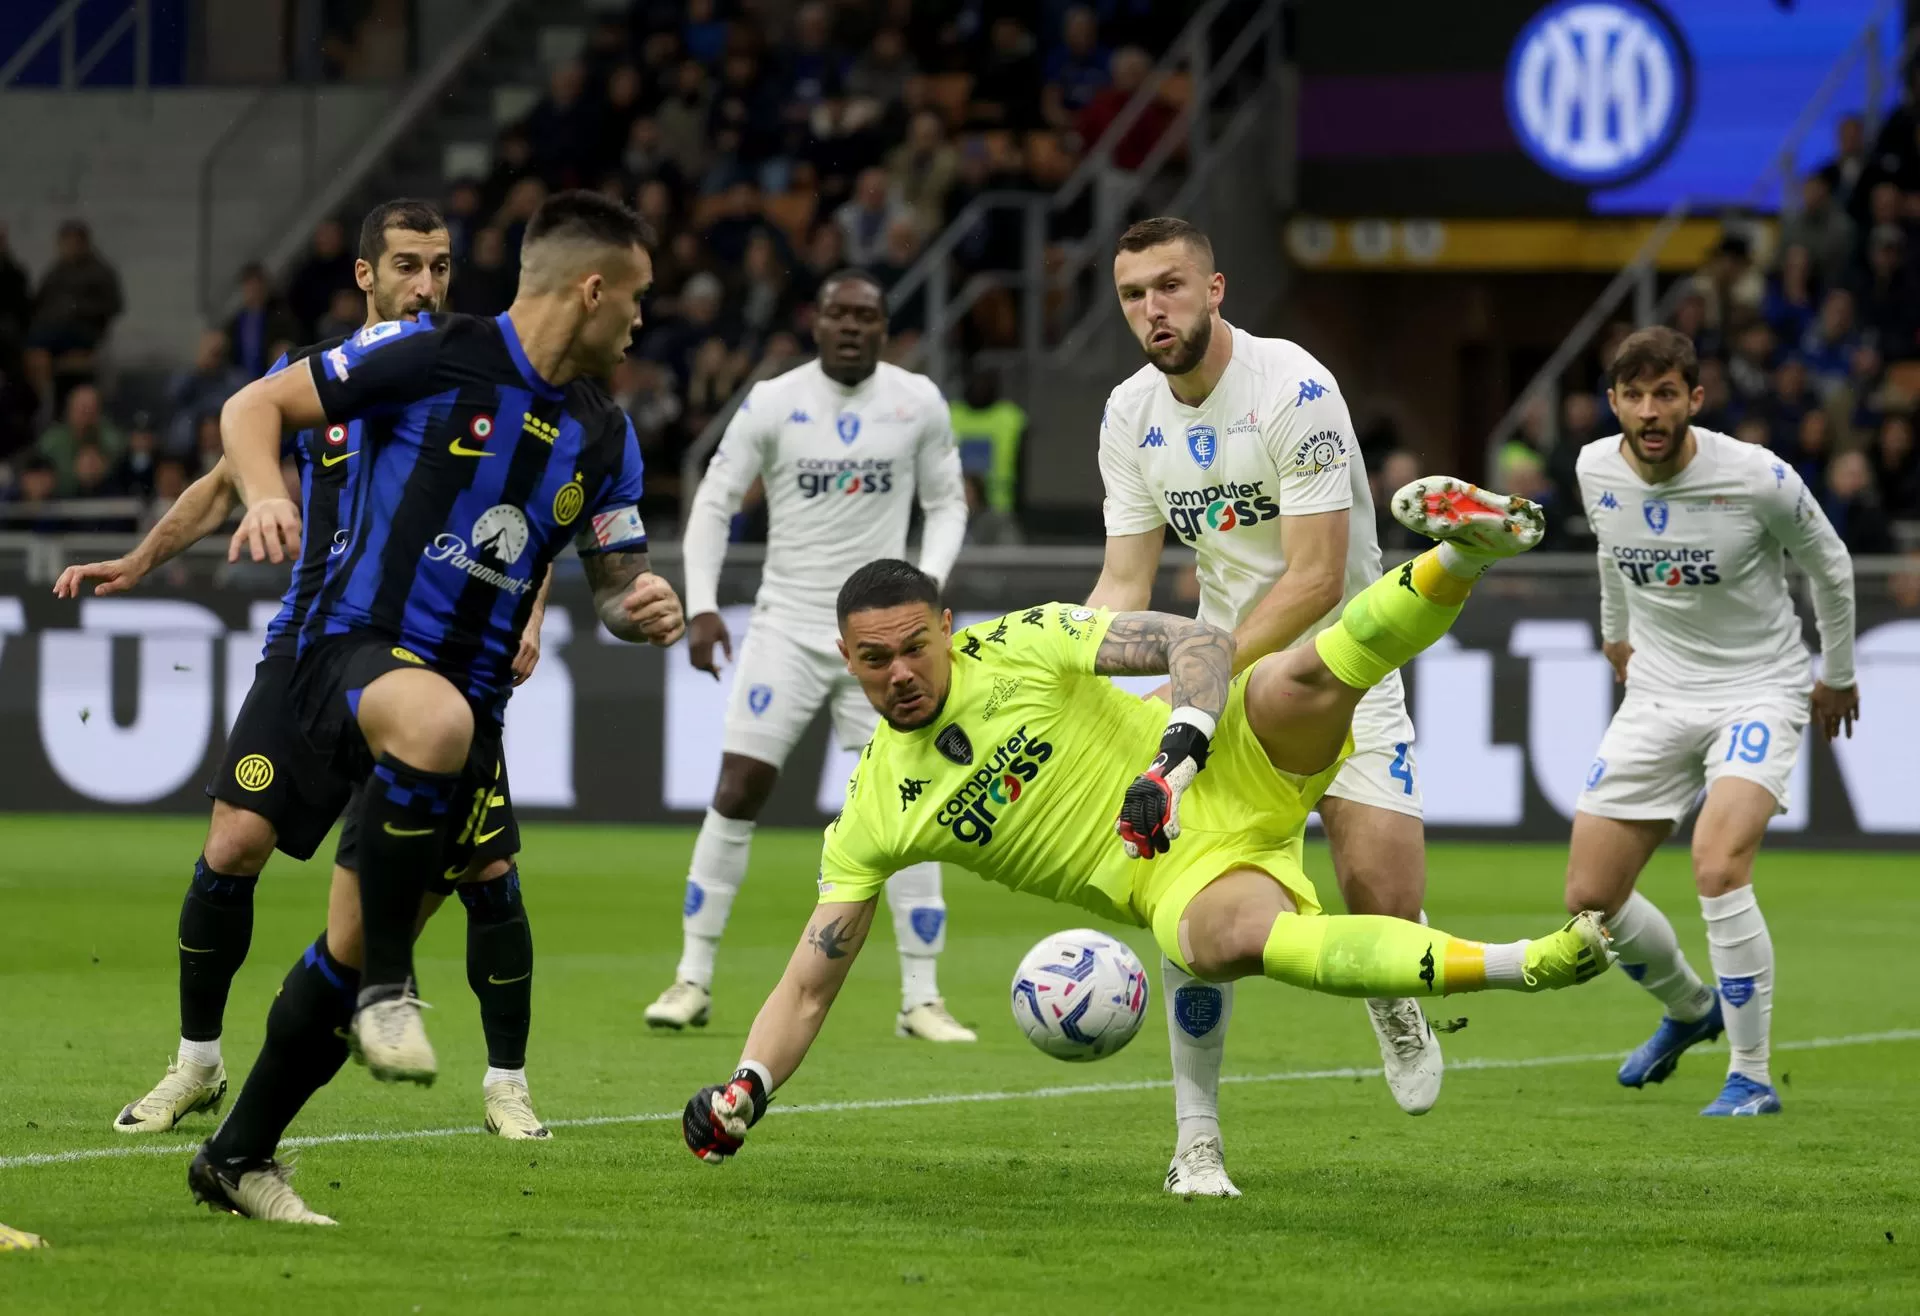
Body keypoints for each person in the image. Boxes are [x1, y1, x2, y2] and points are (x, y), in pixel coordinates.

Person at [680, 486, 1618, 1168]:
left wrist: (1173, 760)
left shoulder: (1020, 643)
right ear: (846, 659)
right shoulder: (873, 812)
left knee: (1300, 677)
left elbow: (1199, 641)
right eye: (875, 659)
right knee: (1242, 942)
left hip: (1213, 760)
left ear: (947, 626)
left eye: (915, 647)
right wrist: (746, 1088)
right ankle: (1523, 964)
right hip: (1173, 875)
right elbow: (809, 986)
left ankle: (1465, 552)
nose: (900, 674)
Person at [179, 190, 685, 1225]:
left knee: (343, 945)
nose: (642, 320)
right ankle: (391, 988)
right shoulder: (429, 350)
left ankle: (237, 1155)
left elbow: (613, 582)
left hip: (465, 709)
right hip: (351, 653)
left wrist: (642, 609)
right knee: (423, 738)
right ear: (592, 290)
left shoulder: (605, 435)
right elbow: (252, 409)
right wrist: (268, 492)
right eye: (636, 297)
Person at [59, 200, 557, 1145]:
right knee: (232, 845)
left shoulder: (475, 378)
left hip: (437, 662)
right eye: (407, 265)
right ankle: (196, 1064)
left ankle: (508, 1083)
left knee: (486, 868)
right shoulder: (318, 378)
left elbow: (531, 513)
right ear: (364, 274)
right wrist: (139, 560)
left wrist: (529, 614)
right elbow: (222, 482)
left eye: (441, 266)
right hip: (312, 650)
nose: (427, 285)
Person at [1084, 217, 1439, 1198]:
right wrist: (1070, 675)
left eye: (1169, 286)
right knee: (1193, 895)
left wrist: (1200, 668)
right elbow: (1123, 584)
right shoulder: (1128, 412)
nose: (1152, 309)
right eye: (1132, 295)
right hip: (1225, 683)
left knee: (1385, 905)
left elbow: (1317, 578)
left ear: (1215, 289)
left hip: (1344, 669)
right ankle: (1196, 1142)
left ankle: (1388, 995)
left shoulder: (1295, 388)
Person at [647, 268, 972, 1040]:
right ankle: (691, 978)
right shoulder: (773, 400)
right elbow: (714, 501)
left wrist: (926, 588)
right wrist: (701, 604)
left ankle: (922, 998)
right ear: (815, 322)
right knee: (739, 786)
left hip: (882, 642)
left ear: (884, 327)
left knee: (912, 800)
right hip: (788, 627)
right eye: (838, 314)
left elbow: (947, 503)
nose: (852, 326)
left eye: (867, 315)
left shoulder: (917, 401)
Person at [1568, 326, 1857, 1119]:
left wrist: (1836, 673)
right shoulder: (1594, 467)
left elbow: (1829, 564)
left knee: (1718, 865)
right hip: (1657, 693)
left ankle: (1751, 1077)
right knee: (1590, 896)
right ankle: (1690, 1008)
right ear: (1614, 403)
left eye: (1665, 394)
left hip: (1757, 689)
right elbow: (1610, 550)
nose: (1649, 412)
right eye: (1634, 395)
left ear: (1695, 398)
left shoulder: (1758, 477)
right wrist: (1614, 632)